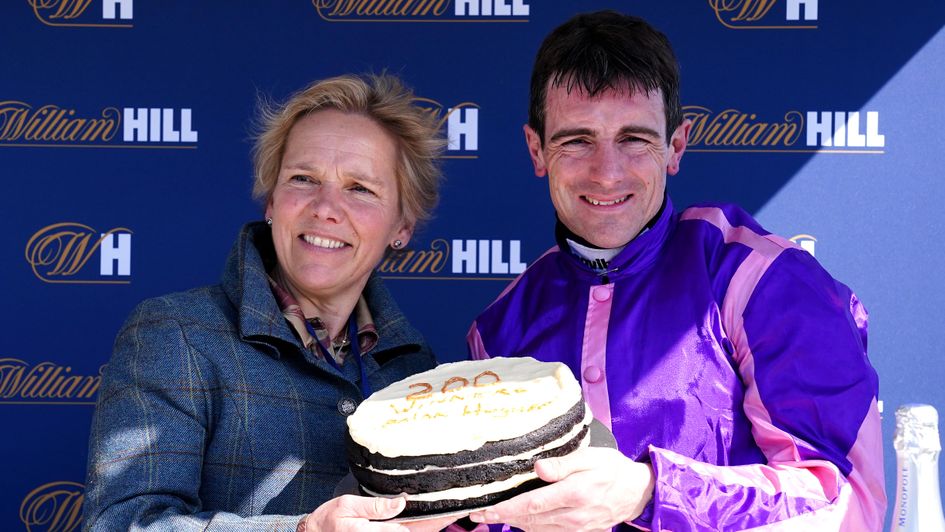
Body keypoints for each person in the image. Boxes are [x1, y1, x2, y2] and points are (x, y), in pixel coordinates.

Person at [466, 11, 886, 531]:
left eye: (634, 139)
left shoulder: (761, 279)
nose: (607, 170)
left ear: (675, 147)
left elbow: (844, 505)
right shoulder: (500, 326)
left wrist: (649, 492)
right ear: (536, 150)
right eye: (576, 140)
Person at [83, 74, 455, 531]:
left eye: (360, 188)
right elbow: (122, 523)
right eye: (304, 178)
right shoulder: (175, 335)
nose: (324, 207)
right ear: (271, 201)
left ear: (402, 226)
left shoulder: (415, 370)